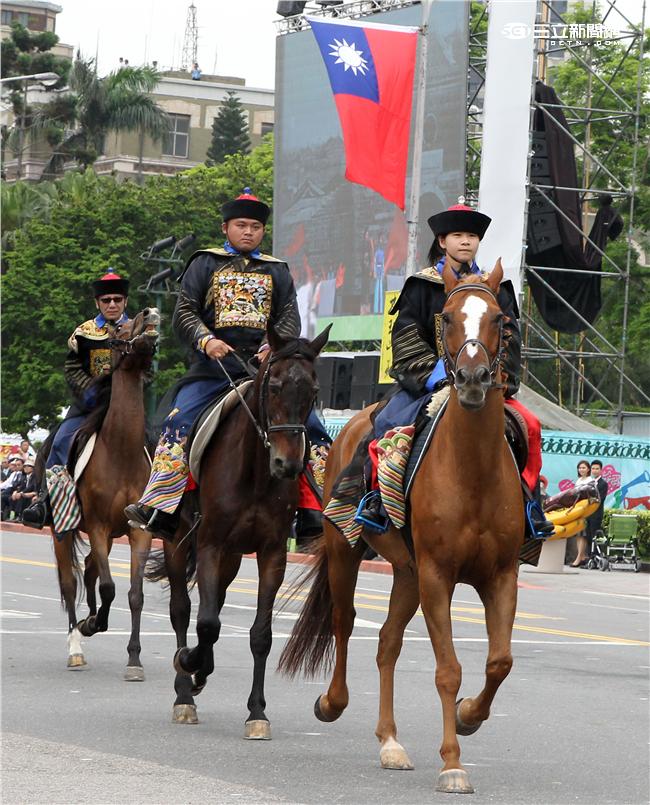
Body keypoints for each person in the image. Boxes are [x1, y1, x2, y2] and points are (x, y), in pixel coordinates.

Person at [126, 189, 324, 542]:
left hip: (264, 369)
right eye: (241, 225)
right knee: (180, 421)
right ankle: (161, 505)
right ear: (225, 227)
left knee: (313, 428)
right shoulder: (204, 262)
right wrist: (207, 340)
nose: (248, 232)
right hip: (212, 369)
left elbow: (289, 318)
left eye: (256, 227)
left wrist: (270, 347)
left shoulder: (277, 270)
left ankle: (316, 509)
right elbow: (184, 311)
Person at [355, 203, 553, 539]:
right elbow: (404, 336)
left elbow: (510, 339)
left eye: (472, 236)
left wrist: (498, 379)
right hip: (428, 385)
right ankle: (376, 499)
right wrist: (434, 376)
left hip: (484, 384)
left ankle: (530, 506)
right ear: (442, 241)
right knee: (387, 422)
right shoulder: (421, 284)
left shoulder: (497, 288)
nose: (466, 242)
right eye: (457, 235)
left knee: (530, 426)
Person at [22, 272, 132, 530]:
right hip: (88, 406)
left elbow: (147, 370)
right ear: (98, 303)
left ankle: (157, 505)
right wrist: (91, 393)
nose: (112, 304)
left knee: (157, 443)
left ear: (125, 301)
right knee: (60, 441)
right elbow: (72, 369)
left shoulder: (137, 331)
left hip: (126, 408)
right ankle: (46, 502)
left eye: (117, 299)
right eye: (106, 300)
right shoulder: (84, 332)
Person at [569, 459, 593, 567]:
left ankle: (579, 557)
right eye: (580, 468)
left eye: (583, 467)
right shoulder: (578, 481)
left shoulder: (590, 480)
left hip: (585, 510)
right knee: (578, 534)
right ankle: (581, 556)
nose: (581, 469)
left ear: (588, 469)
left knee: (582, 534)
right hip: (577, 509)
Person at [585, 459, 608, 558]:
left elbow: (600, 499)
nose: (594, 470)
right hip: (588, 514)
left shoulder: (603, 484)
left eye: (597, 469)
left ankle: (595, 557)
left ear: (601, 470)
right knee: (588, 536)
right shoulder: (589, 482)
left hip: (596, 514)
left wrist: (589, 500)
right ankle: (590, 558)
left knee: (594, 536)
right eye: (593, 468)